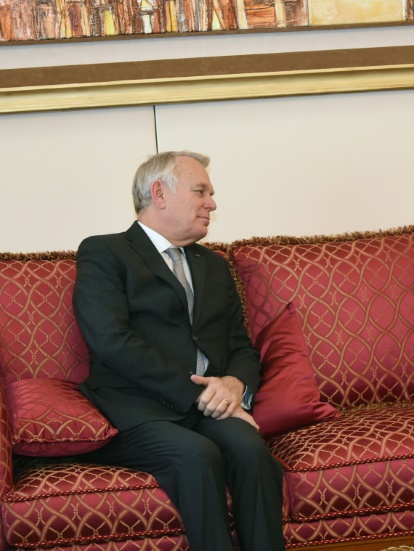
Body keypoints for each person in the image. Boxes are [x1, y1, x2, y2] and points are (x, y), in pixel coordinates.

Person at [73, 151, 284, 551]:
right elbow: (111, 341)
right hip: (137, 408)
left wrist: (235, 386)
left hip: (207, 408)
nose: (212, 203)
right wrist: (200, 392)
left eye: (212, 193)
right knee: (198, 455)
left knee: (250, 449)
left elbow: (239, 343)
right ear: (159, 193)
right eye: (200, 191)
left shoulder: (214, 265)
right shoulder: (106, 253)